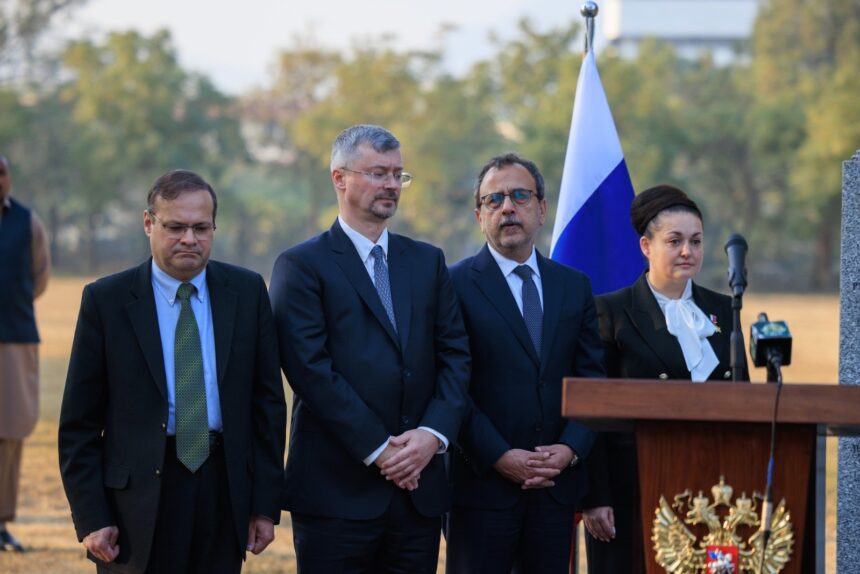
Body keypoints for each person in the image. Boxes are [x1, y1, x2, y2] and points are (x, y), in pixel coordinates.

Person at [58, 170, 286, 574]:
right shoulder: (106, 301)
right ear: (149, 223)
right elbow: (79, 424)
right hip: (135, 501)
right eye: (175, 226)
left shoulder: (248, 292)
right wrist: (92, 516)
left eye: (201, 227)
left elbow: (267, 407)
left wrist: (265, 506)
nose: (189, 239)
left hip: (223, 490)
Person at [270, 124, 470, 573]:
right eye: (378, 173)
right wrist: (382, 450)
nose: (392, 185)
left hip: (418, 490)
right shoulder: (301, 266)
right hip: (335, 492)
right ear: (339, 178)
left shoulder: (427, 261)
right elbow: (309, 370)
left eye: (399, 174)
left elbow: (456, 355)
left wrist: (431, 436)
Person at [445, 152, 605, 573]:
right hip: (481, 489)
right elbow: (450, 385)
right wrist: (499, 454)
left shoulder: (573, 286)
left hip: (555, 491)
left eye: (519, 195)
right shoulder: (451, 285)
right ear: (479, 215)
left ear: (542, 209)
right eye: (493, 200)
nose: (508, 208)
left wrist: (571, 449)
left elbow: (592, 378)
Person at [581, 184, 749, 573]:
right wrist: (596, 496)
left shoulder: (726, 309)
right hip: (632, 491)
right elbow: (594, 414)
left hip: (714, 491)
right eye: (674, 241)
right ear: (646, 246)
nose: (687, 251)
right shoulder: (611, 312)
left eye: (695, 241)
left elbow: (746, 402)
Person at [0, 153, 51, 552]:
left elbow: (38, 277)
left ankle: (1, 522)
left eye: (1, 172)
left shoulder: (26, 221)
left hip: (13, 338)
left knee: (11, 431)